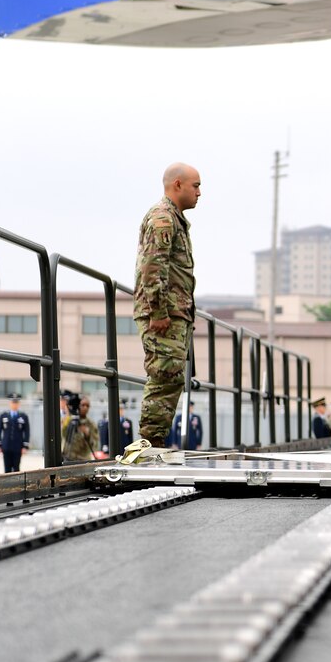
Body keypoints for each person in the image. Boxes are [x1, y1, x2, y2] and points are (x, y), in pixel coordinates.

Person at [134, 162, 200, 448]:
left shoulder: (173, 219)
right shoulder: (163, 218)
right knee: (163, 376)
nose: (199, 192)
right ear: (178, 185)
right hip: (164, 314)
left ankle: (154, 441)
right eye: (195, 186)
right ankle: (150, 443)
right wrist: (159, 312)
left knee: (171, 378)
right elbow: (152, 267)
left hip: (175, 312)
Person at [0, 392, 30, 473]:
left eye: (16, 402)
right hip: (6, 446)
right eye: (13, 402)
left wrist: (25, 446)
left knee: (16, 468)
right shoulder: (3, 415)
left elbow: (27, 431)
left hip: (18, 447)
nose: (14, 404)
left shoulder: (23, 416)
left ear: (19, 404)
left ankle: (16, 485)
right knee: (7, 469)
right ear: (10, 403)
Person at [62, 396, 99, 463]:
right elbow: (63, 434)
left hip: (83, 460)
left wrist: (88, 435)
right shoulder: (69, 421)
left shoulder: (91, 424)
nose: (85, 408)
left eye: (87, 406)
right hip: (68, 459)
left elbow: (95, 445)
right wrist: (68, 414)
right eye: (83, 405)